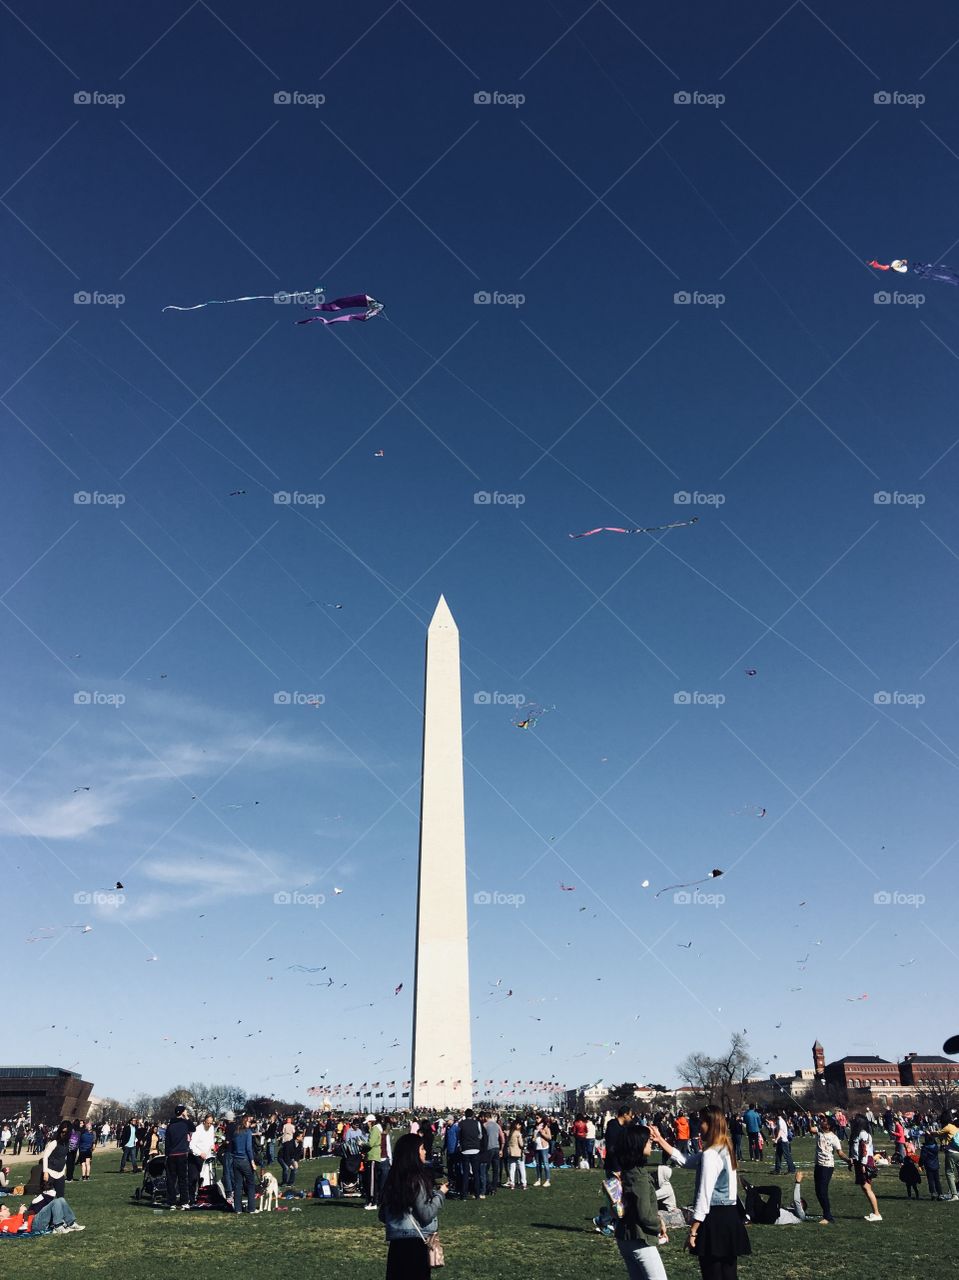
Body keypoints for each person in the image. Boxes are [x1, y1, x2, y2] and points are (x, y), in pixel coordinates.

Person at [651, 1105, 751, 1280]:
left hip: (714, 1219)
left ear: (711, 1124)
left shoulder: (711, 1154)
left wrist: (693, 1231)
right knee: (728, 1274)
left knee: (712, 1273)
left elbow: (704, 1197)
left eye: (703, 1121)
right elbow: (686, 1161)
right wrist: (660, 1140)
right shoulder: (725, 1147)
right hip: (729, 1217)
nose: (699, 1126)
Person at [378, 1133, 447, 1280]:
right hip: (415, 1244)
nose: (425, 1152)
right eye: (422, 1149)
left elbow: (383, 1215)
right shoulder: (416, 1180)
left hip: (397, 1245)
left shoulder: (392, 1179)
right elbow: (426, 1214)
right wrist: (440, 1195)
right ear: (413, 1153)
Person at [614, 1125, 667, 1280]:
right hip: (640, 1239)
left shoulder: (627, 1171)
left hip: (625, 1236)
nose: (651, 1143)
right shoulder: (639, 1177)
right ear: (638, 1145)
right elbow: (644, 1215)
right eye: (647, 1141)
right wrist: (659, 1224)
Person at [809, 1115, 849, 1223]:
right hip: (818, 1165)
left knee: (822, 1191)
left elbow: (840, 1153)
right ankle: (827, 1214)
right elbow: (811, 1129)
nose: (822, 1122)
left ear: (829, 1126)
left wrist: (848, 1160)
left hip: (827, 1166)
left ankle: (827, 1216)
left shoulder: (834, 1137)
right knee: (818, 1191)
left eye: (824, 1121)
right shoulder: (819, 1131)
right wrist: (809, 1119)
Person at [0, 1191, 85, 1234]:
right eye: (4, 1209)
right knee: (55, 1202)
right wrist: (20, 1213)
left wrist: (26, 1212)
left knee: (61, 1200)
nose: (7, 1209)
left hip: (35, 1219)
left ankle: (71, 1223)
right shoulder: (3, 1224)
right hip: (34, 1225)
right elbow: (15, 1229)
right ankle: (58, 1226)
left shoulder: (11, 1217)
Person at [849, 1113, 882, 1222]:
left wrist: (863, 1165)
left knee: (867, 1188)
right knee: (865, 1188)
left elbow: (864, 1150)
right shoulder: (858, 1134)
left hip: (865, 1162)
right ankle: (875, 1212)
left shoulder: (863, 1134)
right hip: (861, 1162)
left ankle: (877, 1213)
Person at [165, 1105, 194, 1210]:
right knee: (183, 1179)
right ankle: (184, 1201)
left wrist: (167, 1154)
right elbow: (193, 1128)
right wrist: (186, 1117)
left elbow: (167, 1142)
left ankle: (172, 1202)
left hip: (172, 1155)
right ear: (182, 1113)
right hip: (182, 1154)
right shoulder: (184, 1124)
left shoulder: (170, 1125)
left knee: (172, 1179)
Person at [230, 1115, 258, 1214]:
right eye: (249, 1122)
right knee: (250, 1184)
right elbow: (249, 1148)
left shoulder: (236, 1132)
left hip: (236, 1160)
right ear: (245, 1122)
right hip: (245, 1160)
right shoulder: (248, 1132)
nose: (250, 1124)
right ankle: (251, 1208)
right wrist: (253, 1162)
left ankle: (238, 1209)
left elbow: (232, 1147)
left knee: (238, 1185)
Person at [189, 1114, 217, 1204]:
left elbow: (211, 1140)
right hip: (196, 1157)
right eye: (208, 1123)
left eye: (211, 1123)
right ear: (204, 1121)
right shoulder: (198, 1129)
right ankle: (191, 1199)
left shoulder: (212, 1128)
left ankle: (204, 1198)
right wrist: (200, 1153)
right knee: (194, 1178)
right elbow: (192, 1145)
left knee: (206, 1179)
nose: (209, 1125)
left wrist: (213, 1147)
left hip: (207, 1157)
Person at [458, 1109, 484, 1200]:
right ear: (472, 1115)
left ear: (465, 1115)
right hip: (475, 1149)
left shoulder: (461, 1123)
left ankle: (464, 1194)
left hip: (465, 1150)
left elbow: (459, 1135)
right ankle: (477, 1194)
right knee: (476, 1173)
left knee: (465, 1173)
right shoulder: (477, 1123)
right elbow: (480, 1135)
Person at [40, 1121, 71, 1197]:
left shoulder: (67, 1144)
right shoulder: (54, 1142)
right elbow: (45, 1157)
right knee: (46, 1197)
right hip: (50, 1172)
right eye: (62, 1132)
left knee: (61, 1197)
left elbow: (64, 1157)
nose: (64, 1134)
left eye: (66, 1132)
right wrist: (45, 1172)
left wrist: (64, 1169)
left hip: (60, 1174)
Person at [935, 1112, 959, 1200]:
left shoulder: (948, 1126)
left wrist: (930, 1133)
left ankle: (954, 1194)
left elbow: (938, 1133)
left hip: (952, 1152)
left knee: (950, 1173)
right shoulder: (956, 1126)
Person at [919, 1132, 943, 1200]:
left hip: (928, 1166)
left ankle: (933, 1193)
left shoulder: (925, 1148)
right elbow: (934, 1141)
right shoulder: (935, 1147)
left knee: (930, 1180)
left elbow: (922, 1157)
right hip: (935, 1165)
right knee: (937, 1180)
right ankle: (940, 1194)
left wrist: (920, 1164)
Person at [533, 1114, 552, 1188]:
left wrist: (542, 1133)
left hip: (544, 1147)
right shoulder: (536, 1127)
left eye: (538, 1118)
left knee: (545, 1163)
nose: (536, 1119)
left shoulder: (545, 1127)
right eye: (535, 1118)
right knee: (538, 1164)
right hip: (537, 1147)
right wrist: (533, 1138)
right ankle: (538, 1179)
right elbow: (534, 1137)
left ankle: (547, 1180)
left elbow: (549, 1137)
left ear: (541, 1118)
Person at [506, 1120, 527, 1189]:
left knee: (512, 1168)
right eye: (519, 1125)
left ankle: (512, 1183)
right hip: (518, 1152)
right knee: (522, 1168)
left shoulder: (510, 1133)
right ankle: (524, 1183)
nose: (520, 1126)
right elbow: (521, 1144)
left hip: (511, 1152)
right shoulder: (518, 1133)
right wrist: (524, 1145)